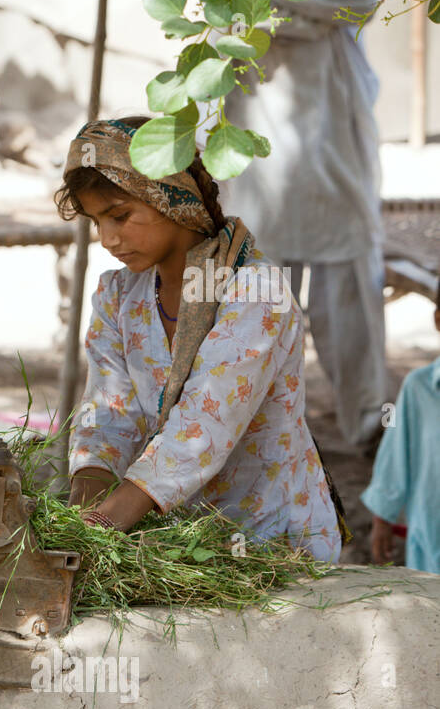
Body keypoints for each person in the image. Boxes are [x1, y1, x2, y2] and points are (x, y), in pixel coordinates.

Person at [57, 117, 342, 563]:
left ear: (171, 196)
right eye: (96, 222)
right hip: (183, 545)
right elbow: (108, 417)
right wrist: (75, 522)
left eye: (119, 216)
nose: (108, 239)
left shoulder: (255, 292)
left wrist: (101, 526)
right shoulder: (119, 296)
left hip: (272, 543)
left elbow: (203, 427)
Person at [219, 0, 386, 452]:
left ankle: (374, 426)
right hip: (260, 145)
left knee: (352, 291)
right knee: (260, 294)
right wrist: (306, 16)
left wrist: (269, 7)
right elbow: (221, 11)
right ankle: (252, 424)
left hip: (338, 145)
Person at [362, 302, 440, 574]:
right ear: (438, 320)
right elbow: (395, 454)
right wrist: (383, 518)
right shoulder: (419, 388)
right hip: (432, 543)